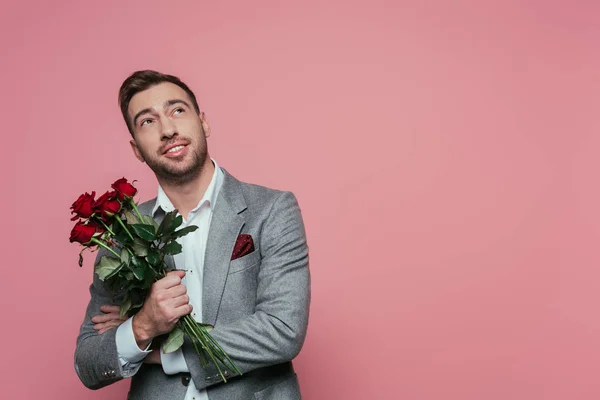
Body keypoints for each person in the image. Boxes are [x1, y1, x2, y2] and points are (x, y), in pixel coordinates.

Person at [74, 70, 311, 400]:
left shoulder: (271, 210)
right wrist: (143, 326)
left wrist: (161, 351)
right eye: (147, 121)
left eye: (177, 111)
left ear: (204, 122)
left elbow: (282, 331)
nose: (168, 129)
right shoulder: (122, 232)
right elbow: (88, 363)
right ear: (137, 149)